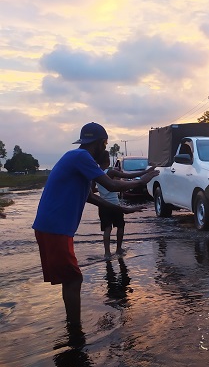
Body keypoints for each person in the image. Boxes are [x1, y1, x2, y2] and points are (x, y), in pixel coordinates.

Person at [32, 122, 159, 327]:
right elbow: (111, 184)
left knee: (70, 279)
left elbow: (91, 197)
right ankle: (75, 333)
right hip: (55, 228)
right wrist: (141, 180)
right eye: (105, 144)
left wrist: (123, 210)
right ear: (100, 143)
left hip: (51, 227)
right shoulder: (81, 157)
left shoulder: (75, 159)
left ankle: (73, 327)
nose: (106, 148)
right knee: (74, 279)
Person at [95, 150, 155, 259]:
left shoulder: (95, 174)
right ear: (108, 161)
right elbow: (127, 176)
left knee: (107, 229)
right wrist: (145, 173)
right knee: (120, 226)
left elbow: (92, 189)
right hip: (115, 204)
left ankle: (107, 253)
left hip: (103, 205)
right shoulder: (111, 172)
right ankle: (118, 249)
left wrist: (100, 191)